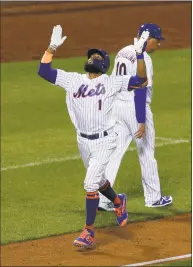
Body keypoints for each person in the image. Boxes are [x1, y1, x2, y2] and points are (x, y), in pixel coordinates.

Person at [38, 25, 149, 249]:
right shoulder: (73, 80)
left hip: (105, 141)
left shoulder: (111, 81)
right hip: (83, 142)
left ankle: (88, 232)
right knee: (97, 182)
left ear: (104, 65)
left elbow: (142, 80)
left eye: (98, 55)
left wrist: (139, 55)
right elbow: (44, 71)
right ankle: (119, 202)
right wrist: (51, 47)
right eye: (92, 55)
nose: (94, 56)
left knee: (89, 183)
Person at [98, 23, 173, 211]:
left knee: (113, 153)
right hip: (135, 108)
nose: (159, 45)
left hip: (117, 108)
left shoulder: (123, 51)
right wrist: (141, 120)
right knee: (146, 151)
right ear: (147, 40)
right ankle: (153, 198)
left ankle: (101, 198)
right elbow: (141, 89)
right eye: (157, 41)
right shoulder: (143, 58)